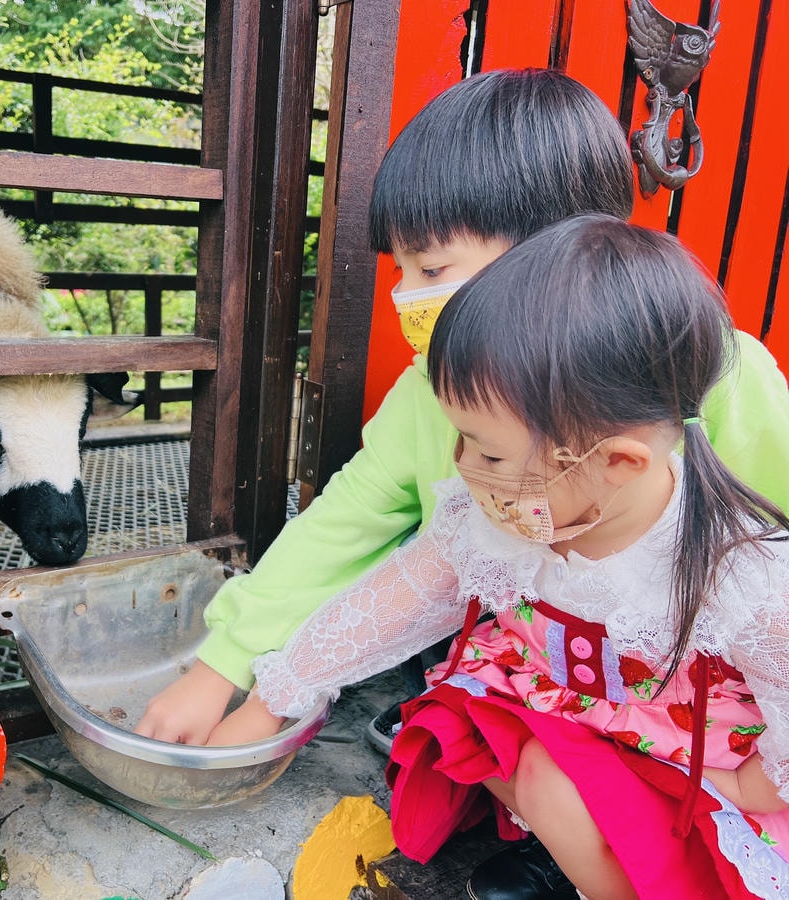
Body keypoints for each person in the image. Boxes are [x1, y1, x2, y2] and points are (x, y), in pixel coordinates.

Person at [136, 67, 789, 895]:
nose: (407, 298)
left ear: (557, 249)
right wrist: (228, 667)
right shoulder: (430, 390)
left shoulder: (726, 377)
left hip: (706, 706)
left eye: (432, 267)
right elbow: (355, 526)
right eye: (401, 270)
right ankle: (565, 830)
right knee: (473, 731)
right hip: (548, 663)